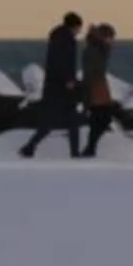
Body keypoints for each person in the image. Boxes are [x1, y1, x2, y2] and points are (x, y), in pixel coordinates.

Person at [18, 13, 83, 160]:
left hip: (54, 86)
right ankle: (73, 152)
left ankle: (30, 147)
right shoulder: (66, 40)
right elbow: (62, 63)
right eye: (79, 28)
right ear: (74, 26)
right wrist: (69, 80)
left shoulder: (57, 37)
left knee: (57, 120)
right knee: (66, 119)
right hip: (62, 87)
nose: (79, 31)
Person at [76, 23, 117, 158]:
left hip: (99, 86)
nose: (112, 41)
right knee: (101, 117)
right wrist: (87, 91)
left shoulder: (99, 48)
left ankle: (90, 148)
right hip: (95, 86)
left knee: (100, 118)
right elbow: (91, 71)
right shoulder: (94, 49)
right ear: (104, 37)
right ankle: (90, 148)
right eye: (110, 37)